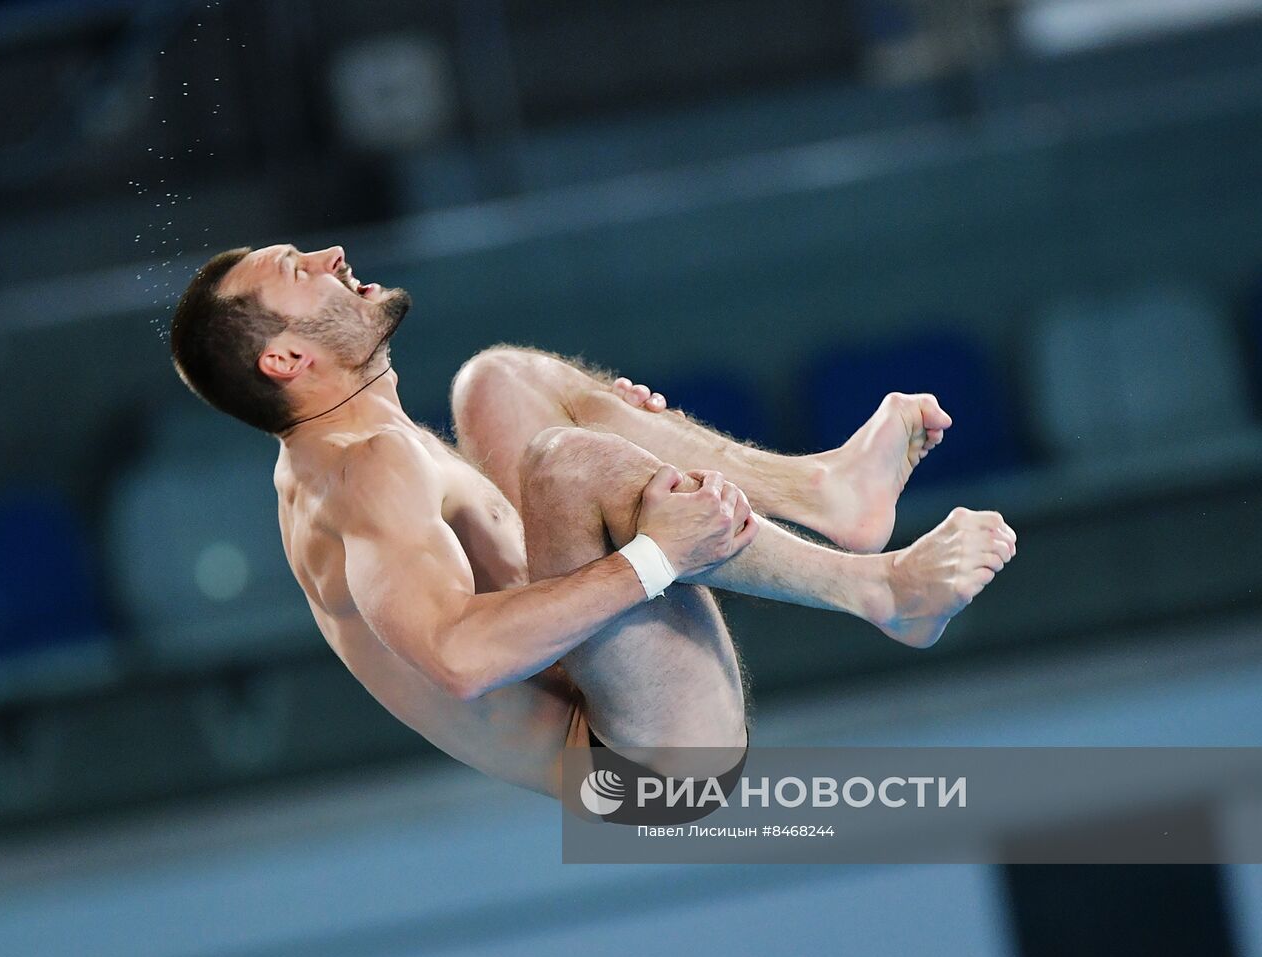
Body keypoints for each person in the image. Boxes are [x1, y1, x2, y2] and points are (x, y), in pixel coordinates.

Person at [169, 243, 1016, 802]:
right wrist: (652, 554)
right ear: (284, 359)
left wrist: (626, 438)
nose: (330, 256)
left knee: (495, 384)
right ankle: (883, 591)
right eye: (299, 270)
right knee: (563, 463)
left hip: (609, 690)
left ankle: (828, 489)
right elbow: (459, 659)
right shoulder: (356, 474)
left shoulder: (366, 438)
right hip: (638, 771)